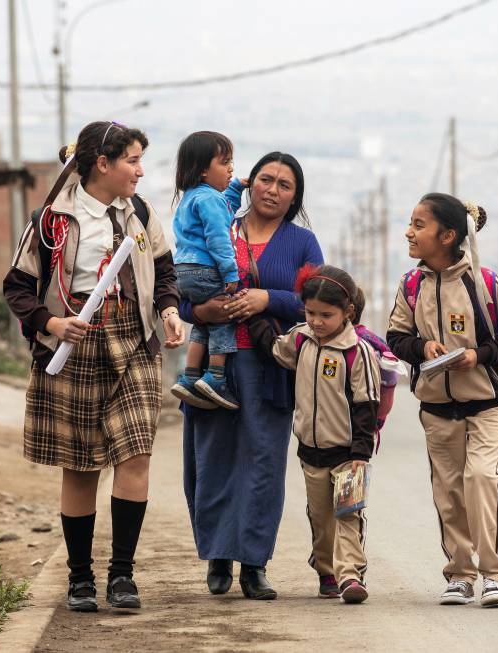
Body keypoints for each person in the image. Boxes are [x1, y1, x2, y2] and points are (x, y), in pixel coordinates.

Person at [3, 121, 186, 612]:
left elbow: (163, 270)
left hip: (134, 342)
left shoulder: (139, 213)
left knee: (136, 455)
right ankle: (80, 578)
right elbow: (17, 286)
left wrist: (168, 310)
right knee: (81, 466)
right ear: (102, 164)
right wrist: (52, 324)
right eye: (132, 161)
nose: (140, 171)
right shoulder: (51, 221)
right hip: (75, 347)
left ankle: (122, 575)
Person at [179, 152, 323, 600]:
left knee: (263, 463)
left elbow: (322, 303)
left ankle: (254, 563)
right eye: (266, 179)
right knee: (211, 459)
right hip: (212, 367)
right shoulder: (219, 223)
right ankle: (218, 555)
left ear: (295, 197)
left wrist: (267, 299)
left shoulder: (302, 243)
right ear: (249, 183)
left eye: (284, 185)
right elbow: (182, 284)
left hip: (268, 367)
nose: (272, 190)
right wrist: (200, 311)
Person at [386, 193, 498, 608]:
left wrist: (477, 356)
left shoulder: (484, 281)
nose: (409, 233)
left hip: (485, 403)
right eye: (410, 223)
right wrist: (423, 348)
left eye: (418, 225)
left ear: (448, 236)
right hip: (436, 408)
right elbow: (396, 337)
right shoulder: (411, 285)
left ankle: (495, 575)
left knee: (481, 478)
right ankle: (460, 575)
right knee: (448, 490)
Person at [247, 265, 381, 604]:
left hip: (349, 455)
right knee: (321, 520)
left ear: (348, 312)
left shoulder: (358, 352)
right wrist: (253, 318)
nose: (317, 321)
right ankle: (327, 572)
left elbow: (367, 404)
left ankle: (351, 576)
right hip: (311, 452)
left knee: (349, 515)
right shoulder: (301, 339)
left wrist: (361, 453)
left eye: (326, 315)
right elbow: (275, 349)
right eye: (310, 313)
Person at [169, 131, 246, 410]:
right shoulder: (211, 199)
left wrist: (235, 189)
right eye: (224, 162)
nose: (231, 168)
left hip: (184, 272)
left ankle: (190, 376)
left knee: (204, 323)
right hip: (206, 270)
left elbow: (224, 211)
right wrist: (231, 274)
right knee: (224, 318)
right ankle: (215, 376)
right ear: (203, 169)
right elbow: (219, 238)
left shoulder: (191, 197)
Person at [350, 287, 404, 436]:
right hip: (367, 427)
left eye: (326, 314)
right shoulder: (374, 340)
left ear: (349, 312)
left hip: (352, 425)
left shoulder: (357, 344)